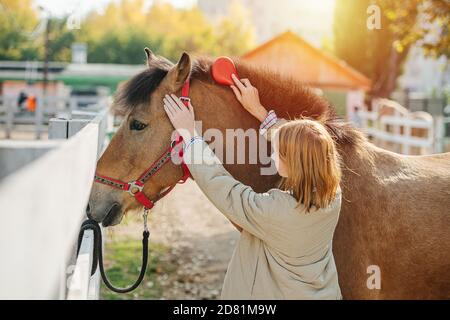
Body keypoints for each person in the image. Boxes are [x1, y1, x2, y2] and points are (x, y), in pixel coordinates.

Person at [162, 74, 343, 300]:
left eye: (277, 152)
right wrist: (259, 112)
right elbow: (306, 142)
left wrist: (189, 134)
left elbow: (224, 189)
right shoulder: (333, 196)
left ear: (293, 162)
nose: (272, 154)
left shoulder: (275, 211)